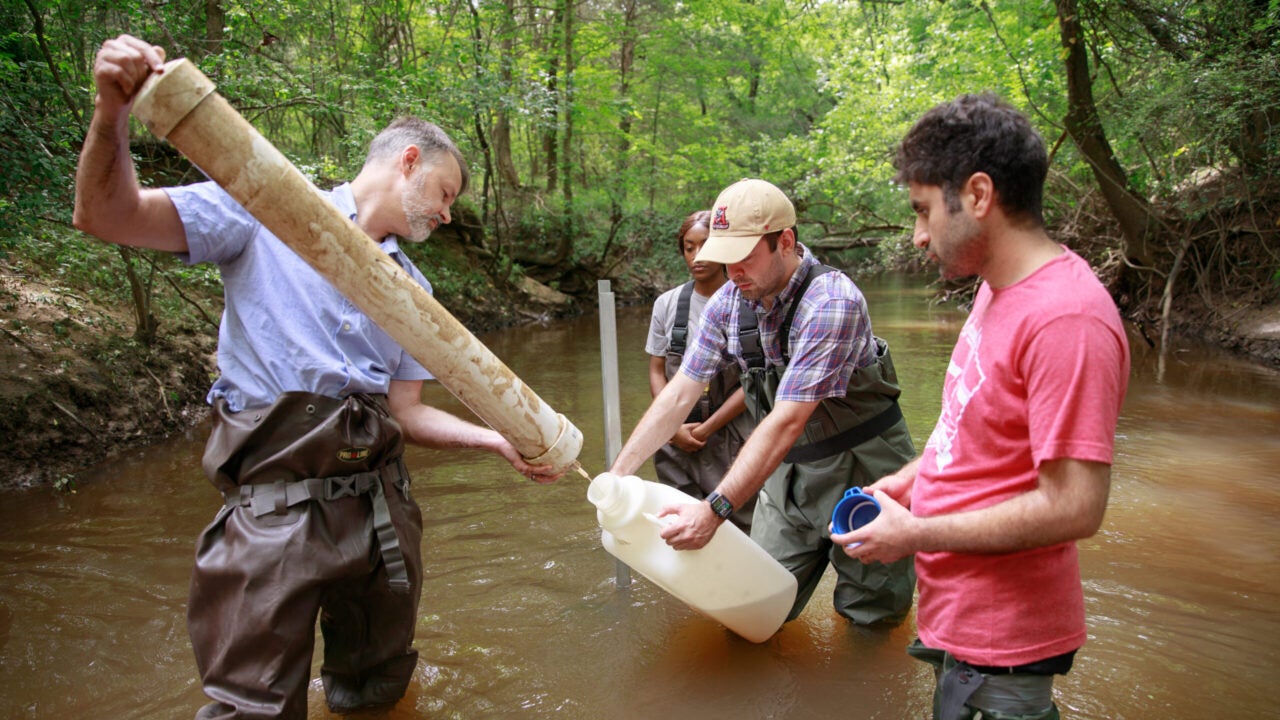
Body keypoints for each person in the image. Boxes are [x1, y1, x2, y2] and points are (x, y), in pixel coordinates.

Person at [73, 34, 560, 720]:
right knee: (253, 707)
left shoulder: (414, 292)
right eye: (445, 192)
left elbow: (408, 412)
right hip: (276, 511)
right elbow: (107, 215)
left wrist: (497, 442)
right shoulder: (264, 206)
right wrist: (111, 112)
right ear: (409, 161)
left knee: (379, 693)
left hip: (381, 511)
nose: (448, 213)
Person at [834, 93, 1130, 720]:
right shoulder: (998, 290)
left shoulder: (1066, 319)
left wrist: (914, 535)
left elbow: (1076, 506)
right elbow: (967, 424)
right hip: (960, 620)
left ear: (976, 195)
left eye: (921, 211)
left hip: (1006, 642)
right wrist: (908, 483)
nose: (917, 236)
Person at [607, 178, 917, 626]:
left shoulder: (831, 302)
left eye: (744, 257)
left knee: (869, 621)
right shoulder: (731, 301)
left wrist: (713, 509)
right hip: (785, 474)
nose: (731, 272)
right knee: (749, 608)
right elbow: (680, 392)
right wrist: (619, 475)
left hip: (864, 472)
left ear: (785, 241)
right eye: (724, 257)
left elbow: (788, 419)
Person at [645, 210, 756, 531]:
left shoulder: (749, 302)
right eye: (688, 247)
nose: (696, 256)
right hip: (676, 437)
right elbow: (656, 370)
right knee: (677, 524)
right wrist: (670, 425)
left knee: (742, 525)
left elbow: (754, 382)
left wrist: (707, 429)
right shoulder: (666, 304)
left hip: (734, 434)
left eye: (705, 246)